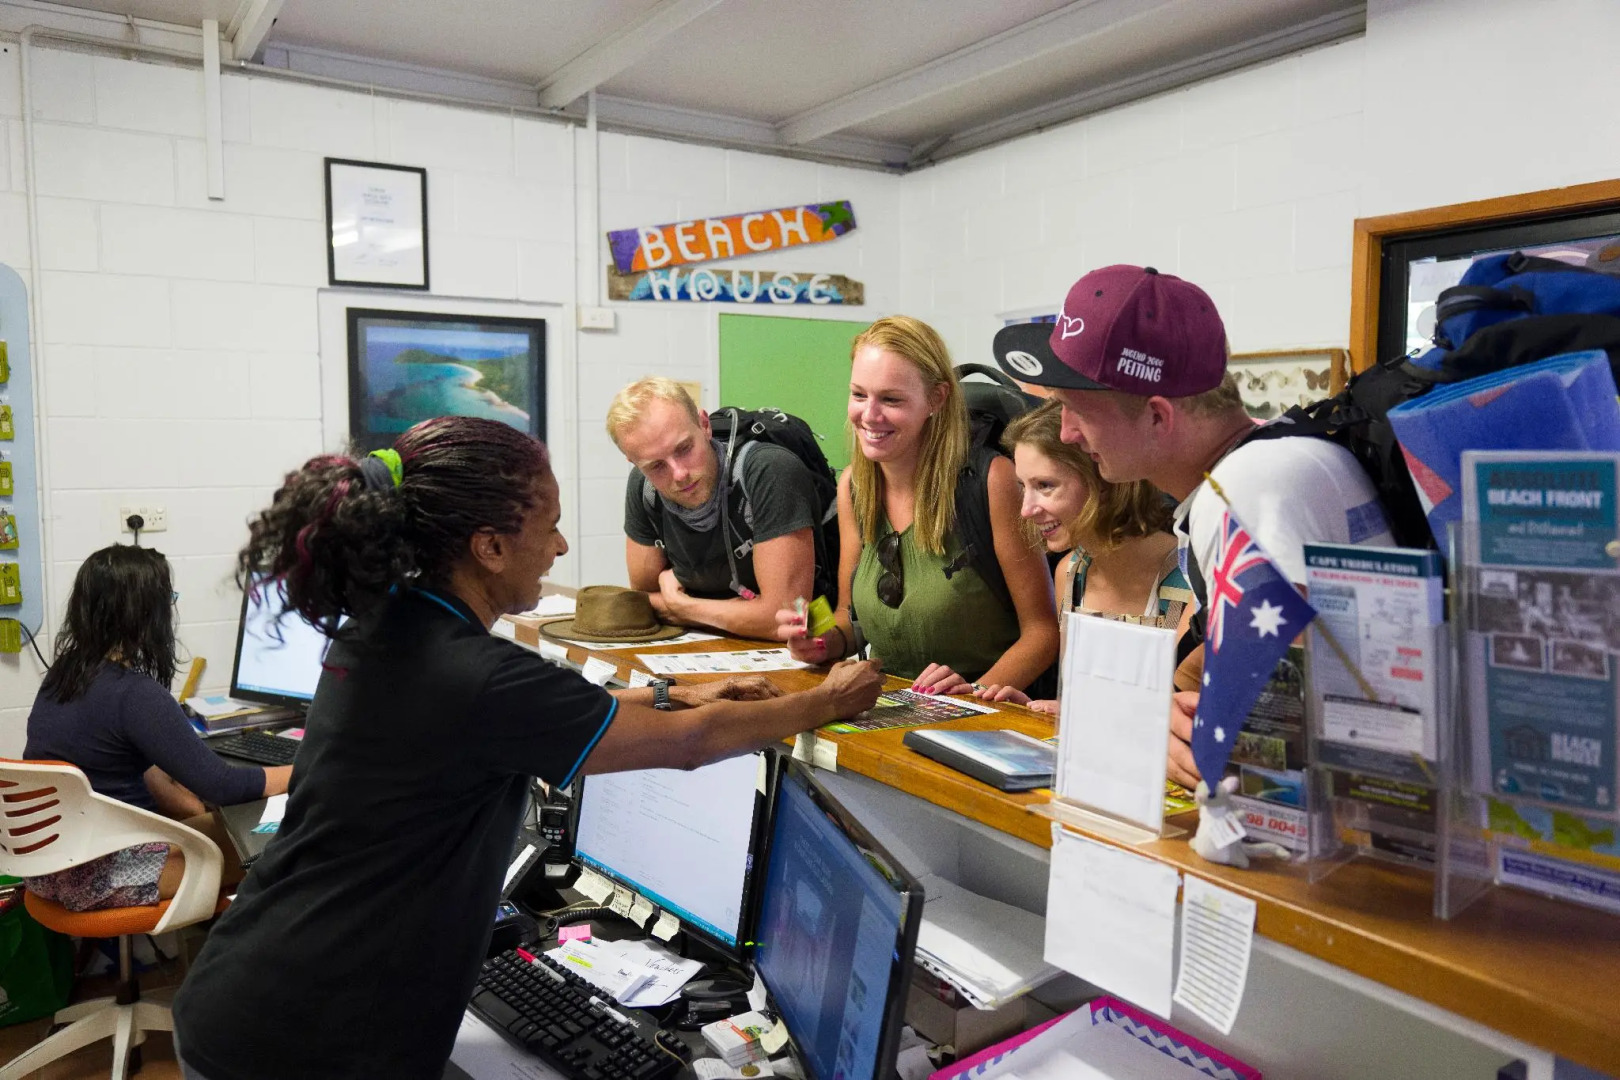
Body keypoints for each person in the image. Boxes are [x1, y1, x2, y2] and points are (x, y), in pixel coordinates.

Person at [171, 416, 882, 1080]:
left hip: (257, 992)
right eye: (552, 527)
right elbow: (688, 747)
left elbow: (554, 715)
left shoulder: (396, 625)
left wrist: (670, 693)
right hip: (304, 1040)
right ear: (490, 546)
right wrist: (823, 702)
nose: (562, 549)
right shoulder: (475, 676)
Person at [993, 264, 1392, 787]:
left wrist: (1160, 734)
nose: (1066, 433)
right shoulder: (1276, 457)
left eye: (1075, 410)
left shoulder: (1245, 490)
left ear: (1158, 417)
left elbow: (1272, 742)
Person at [776, 316, 1058, 691]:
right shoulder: (853, 487)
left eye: (890, 399)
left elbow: (1042, 633)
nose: (869, 415)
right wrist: (817, 633)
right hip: (894, 709)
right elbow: (848, 615)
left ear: (936, 399)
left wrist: (972, 698)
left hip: (985, 714)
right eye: (859, 395)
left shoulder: (993, 480)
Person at [21, 545, 289, 912]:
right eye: (169, 598)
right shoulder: (134, 694)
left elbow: (126, 767)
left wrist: (192, 809)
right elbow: (223, 786)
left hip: (45, 867)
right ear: (147, 613)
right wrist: (303, 768)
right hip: (101, 877)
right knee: (278, 837)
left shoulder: (64, 675)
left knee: (225, 826)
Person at [973, 399, 1193, 713]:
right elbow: (1075, 703)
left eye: (1045, 486)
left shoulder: (1188, 579)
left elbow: (1174, 711)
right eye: (1024, 487)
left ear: (1103, 480)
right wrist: (1038, 710)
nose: (1026, 509)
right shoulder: (1071, 573)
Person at [610, 377, 831, 640]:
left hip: (813, 643)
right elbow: (643, 600)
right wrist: (739, 613)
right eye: (656, 466)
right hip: (710, 646)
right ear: (634, 462)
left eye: (684, 448)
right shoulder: (643, 487)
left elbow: (785, 621)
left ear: (704, 425)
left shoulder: (769, 470)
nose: (679, 474)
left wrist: (684, 607)